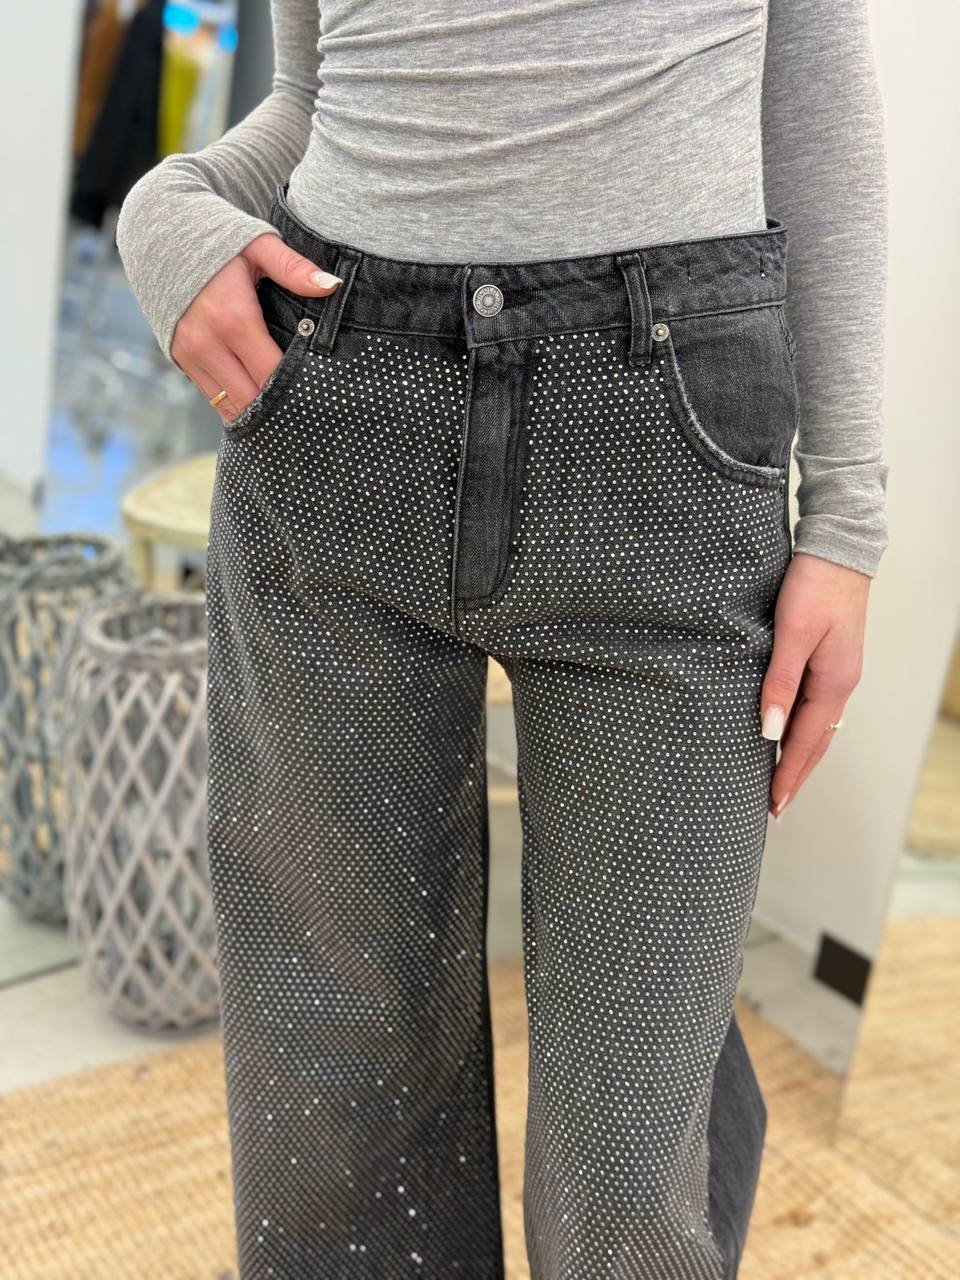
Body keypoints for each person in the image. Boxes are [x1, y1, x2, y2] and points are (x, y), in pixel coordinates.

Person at [116, 1, 889, 1276]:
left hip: (668, 447)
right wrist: (167, 207)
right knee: (342, 1111)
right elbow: (319, 91)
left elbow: (813, 88)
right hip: (340, 403)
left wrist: (848, 516)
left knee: (631, 1168)